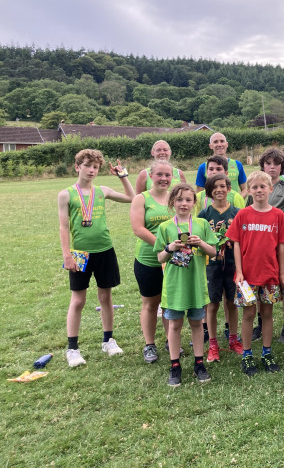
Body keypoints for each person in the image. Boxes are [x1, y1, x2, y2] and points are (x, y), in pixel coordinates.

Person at [58, 149, 135, 368]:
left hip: (105, 250)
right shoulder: (66, 194)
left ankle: (108, 340)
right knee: (78, 300)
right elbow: (63, 226)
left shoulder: (102, 191)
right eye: (87, 166)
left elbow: (131, 198)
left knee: (105, 297)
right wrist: (67, 255)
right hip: (80, 254)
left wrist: (123, 177)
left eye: (95, 167)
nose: (91, 170)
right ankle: (72, 349)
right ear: (77, 167)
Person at [227, 170, 284, 376]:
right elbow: (236, 243)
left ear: (270, 189)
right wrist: (238, 271)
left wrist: (282, 273)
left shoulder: (278, 215)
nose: (258, 190)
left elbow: (282, 245)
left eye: (262, 186)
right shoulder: (243, 214)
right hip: (247, 276)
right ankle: (247, 354)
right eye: (254, 187)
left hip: (270, 274)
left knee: (267, 313)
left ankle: (266, 352)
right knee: (248, 314)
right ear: (248, 190)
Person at [154, 183, 218, 387]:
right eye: (179, 199)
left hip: (196, 285)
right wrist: (170, 247)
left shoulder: (201, 224)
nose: (184, 203)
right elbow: (160, 258)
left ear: (194, 203)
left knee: (197, 323)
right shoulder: (165, 227)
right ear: (172, 201)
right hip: (174, 286)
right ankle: (175, 365)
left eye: (188, 200)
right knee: (174, 324)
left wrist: (201, 243)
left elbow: (214, 252)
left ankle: (199, 363)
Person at [248, 148, 284, 343]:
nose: (272, 167)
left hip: (281, 246)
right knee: (261, 285)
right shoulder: (254, 188)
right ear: (263, 166)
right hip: (260, 248)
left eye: (276, 164)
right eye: (268, 163)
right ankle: (261, 324)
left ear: (282, 167)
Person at [129, 159, 173, 363]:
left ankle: (170, 340)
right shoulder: (141, 198)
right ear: (151, 176)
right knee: (150, 304)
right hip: (148, 260)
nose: (164, 179)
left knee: (169, 303)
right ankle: (149, 345)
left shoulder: (175, 197)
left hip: (174, 261)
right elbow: (138, 228)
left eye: (167, 175)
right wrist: (164, 246)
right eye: (160, 175)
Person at [198, 174, 242, 363]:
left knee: (232, 302)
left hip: (233, 263)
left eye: (223, 186)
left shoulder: (238, 213)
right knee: (213, 304)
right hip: (211, 265)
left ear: (229, 188)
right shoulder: (204, 215)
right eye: (215, 187)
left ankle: (233, 339)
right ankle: (213, 344)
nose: (219, 190)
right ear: (209, 191)